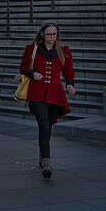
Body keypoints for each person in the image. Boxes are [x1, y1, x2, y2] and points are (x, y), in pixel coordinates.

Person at [19, 21, 75, 178]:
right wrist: (32, 74)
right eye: (49, 34)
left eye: (54, 34)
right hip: (37, 94)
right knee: (43, 126)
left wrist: (70, 85)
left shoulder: (63, 51)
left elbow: (68, 71)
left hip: (55, 94)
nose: (52, 36)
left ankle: (42, 155)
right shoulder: (33, 49)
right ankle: (47, 163)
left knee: (48, 127)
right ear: (43, 34)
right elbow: (23, 67)